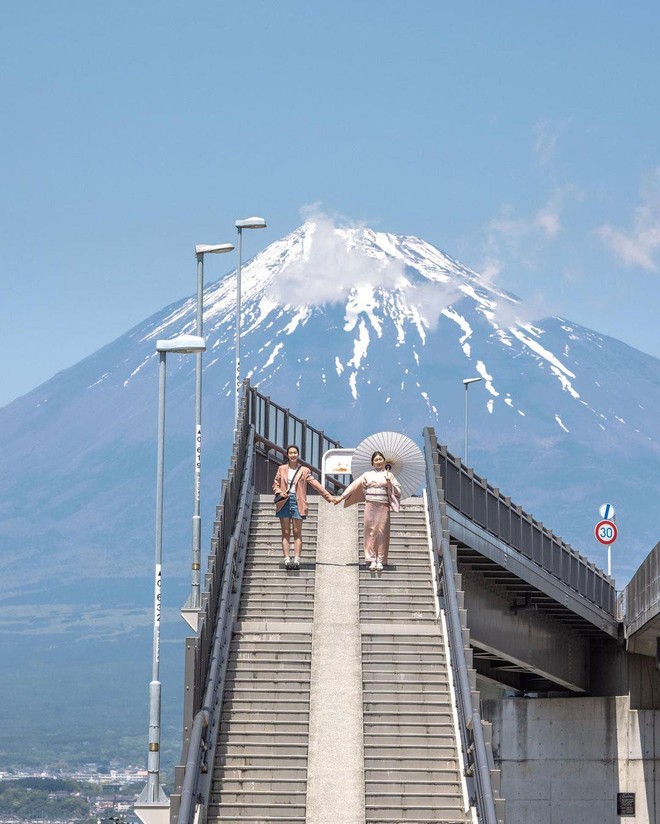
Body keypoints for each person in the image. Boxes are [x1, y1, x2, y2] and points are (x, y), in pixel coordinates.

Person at [335, 451, 402, 571]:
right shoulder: (367, 474)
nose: (378, 462)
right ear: (372, 463)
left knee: (382, 532)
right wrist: (342, 497)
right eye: (376, 460)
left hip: (383, 505)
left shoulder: (389, 475)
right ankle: (371, 559)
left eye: (380, 459)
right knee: (370, 531)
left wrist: (389, 483)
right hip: (370, 504)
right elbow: (355, 485)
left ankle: (380, 560)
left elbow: (398, 492)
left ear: (384, 461)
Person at [273, 444, 335, 569]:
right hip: (284, 501)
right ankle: (286, 559)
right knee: (285, 532)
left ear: (298, 454)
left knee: (297, 532)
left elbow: (315, 484)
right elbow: (275, 485)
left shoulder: (304, 470)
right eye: (290, 453)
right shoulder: (282, 468)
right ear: (287, 455)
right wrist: (280, 492)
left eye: (295, 452)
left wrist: (329, 497)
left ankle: (296, 559)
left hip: (298, 501)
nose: (293, 455)